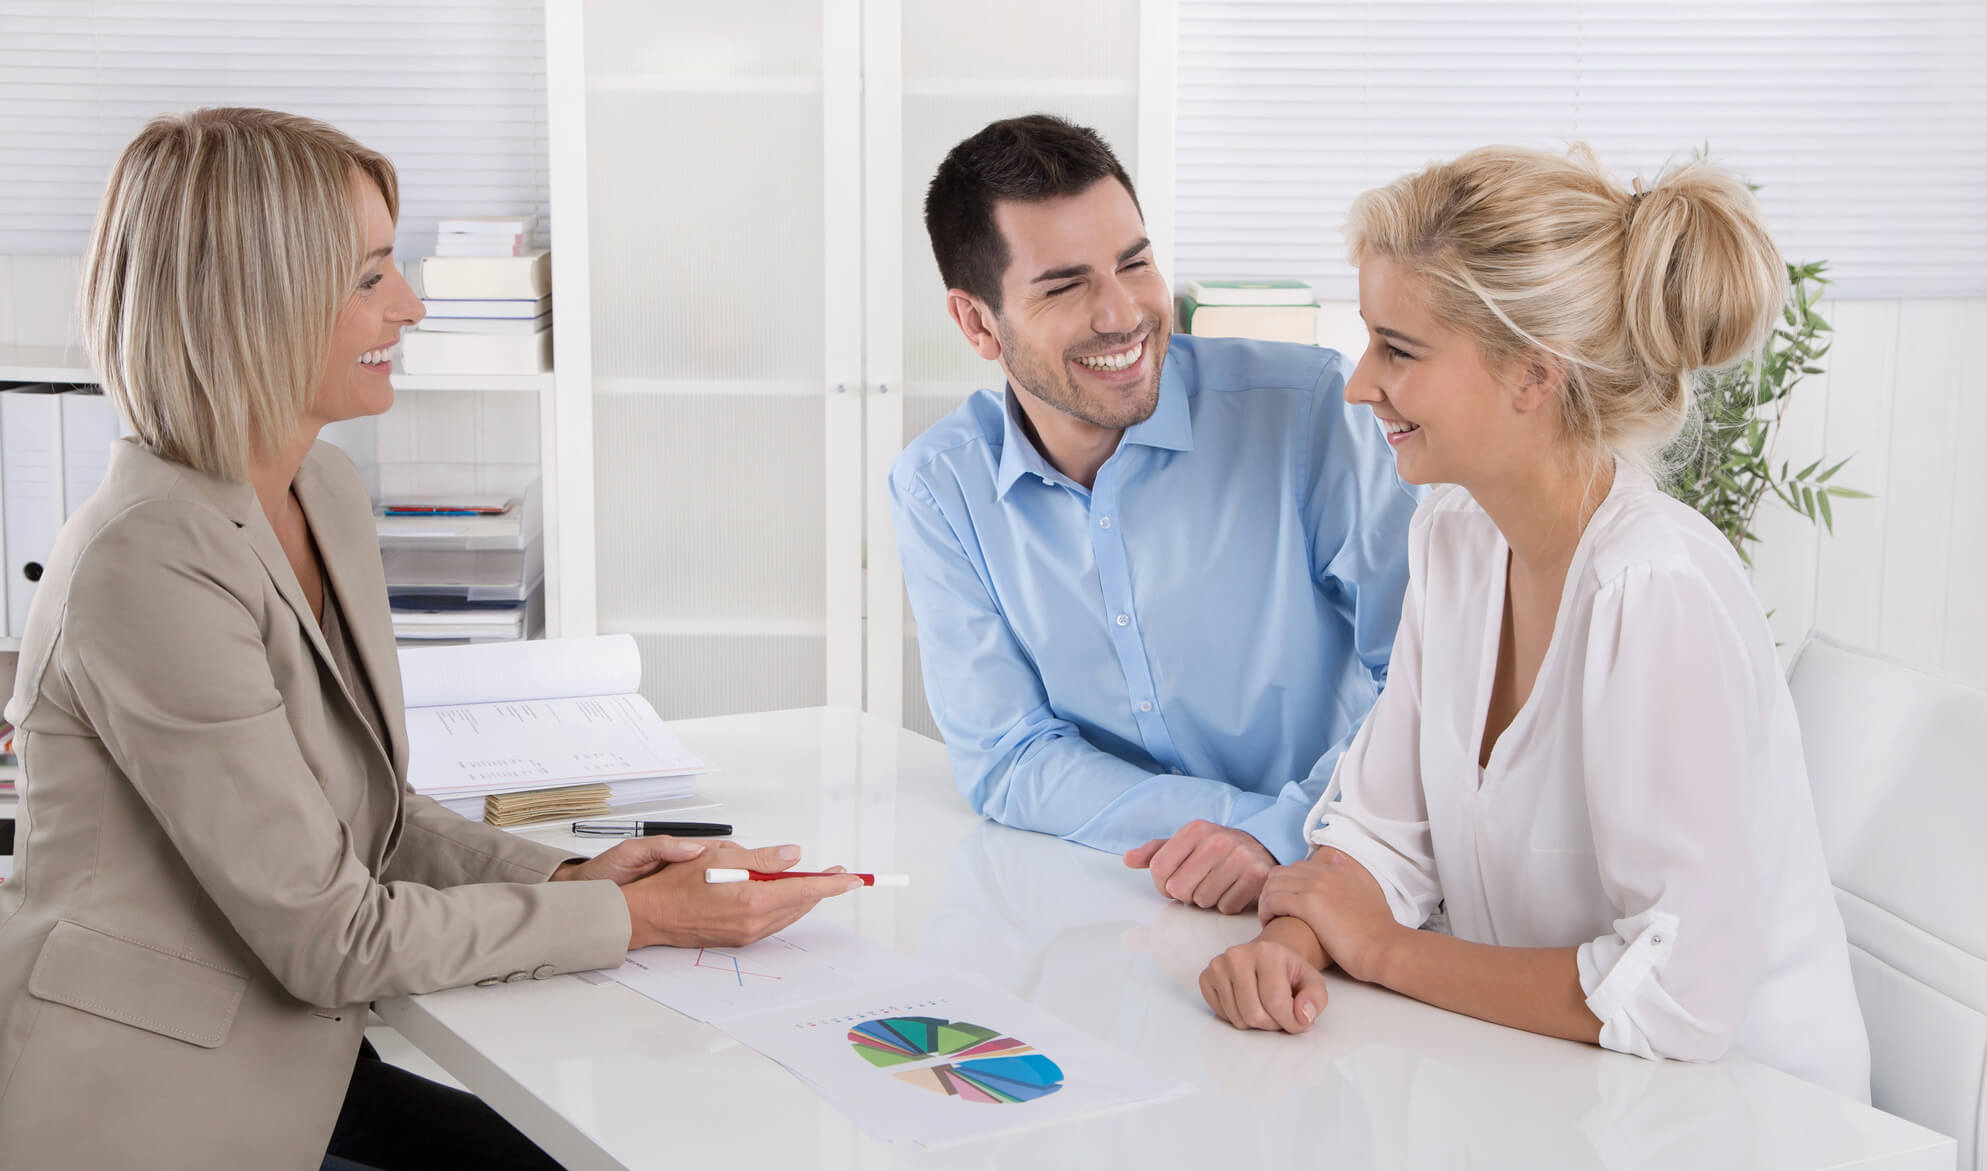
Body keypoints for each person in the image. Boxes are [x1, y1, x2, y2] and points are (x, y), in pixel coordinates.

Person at [0, 108, 861, 1171]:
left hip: (302, 1050)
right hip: (157, 1107)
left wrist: (585, 881)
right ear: (252, 305)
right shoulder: (147, 565)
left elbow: (370, 821)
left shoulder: (320, 488)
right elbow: (333, 934)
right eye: (369, 278)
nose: (406, 305)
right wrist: (645, 923)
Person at [1198, 144, 1870, 1099]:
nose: (1358, 383)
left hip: (1755, 1116)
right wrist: (1291, 943)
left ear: (1532, 375)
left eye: (1400, 347)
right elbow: (1381, 832)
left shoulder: (1652, 588)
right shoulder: (1455, 540)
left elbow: (1677, 995)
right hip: (1570, 1092)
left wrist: (1381, 950)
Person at [891, 115, 1420, 915]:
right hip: (1116, 897)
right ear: (976, 323)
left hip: (1348, 878)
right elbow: (1008, 755)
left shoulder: (1310, 412)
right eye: (1066, 285)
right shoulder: (940, 488)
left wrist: (1285, 833)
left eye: (1134, 263)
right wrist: (1234, 831)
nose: (1122, 314)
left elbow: (1422, 682)